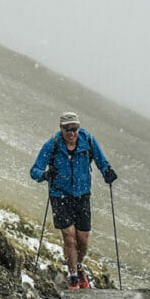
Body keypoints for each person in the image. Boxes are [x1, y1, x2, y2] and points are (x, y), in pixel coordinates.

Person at [30, 111, 117, 289]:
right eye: (67, 129)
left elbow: (101, 160)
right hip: (59, 195)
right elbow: (34, 170)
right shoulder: (53, 144)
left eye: (74, 128)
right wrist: (45, 175)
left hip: (82, 195)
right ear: (61, 128)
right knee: (70, 238)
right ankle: (74, 277)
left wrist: (107, 171)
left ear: (79, 127)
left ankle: (78, 266)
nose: (72, 133)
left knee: (82, 240)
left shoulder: (88, 141)